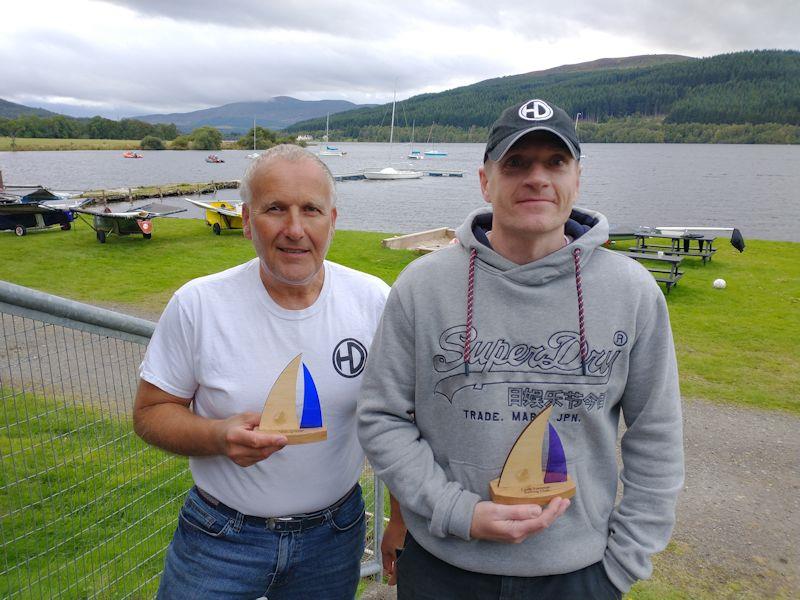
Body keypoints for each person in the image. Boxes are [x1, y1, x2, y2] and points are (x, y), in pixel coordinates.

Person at [358, 98, 684, 599]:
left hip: (580, 575)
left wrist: (622, 565)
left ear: (578, 177)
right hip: (444, 565)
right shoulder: (422, 287)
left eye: (555, 162)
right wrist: (455, 511)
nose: (537, 177)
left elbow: (656, 434)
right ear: (486, 180)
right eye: (516, 163)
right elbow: (382, 417)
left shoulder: (633, 292)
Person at [133, 144, 403, 599]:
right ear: (246, 220)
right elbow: (151, 412)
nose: (294, 229)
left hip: (333, 538)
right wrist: (217, 437)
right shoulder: (199, 304)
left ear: (332, 220)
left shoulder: (374, 301)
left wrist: (401, 518)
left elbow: (400, 418)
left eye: (310, 210)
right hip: (219, 536)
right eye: (275, 208)